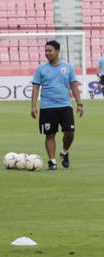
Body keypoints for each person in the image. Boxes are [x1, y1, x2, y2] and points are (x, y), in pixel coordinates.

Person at [31, 40, 83, 170]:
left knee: (70, 132)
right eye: (46, 51)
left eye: (50, 51)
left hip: (65, 106)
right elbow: (36, 87)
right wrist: (33, 106)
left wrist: (79, 103)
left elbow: (74, 86)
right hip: (47, 107)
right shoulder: (41, 69)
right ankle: (52, 162)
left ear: (57, 51)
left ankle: (64, 151)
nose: (47, 53)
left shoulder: (68, 68)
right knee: (50, 134)